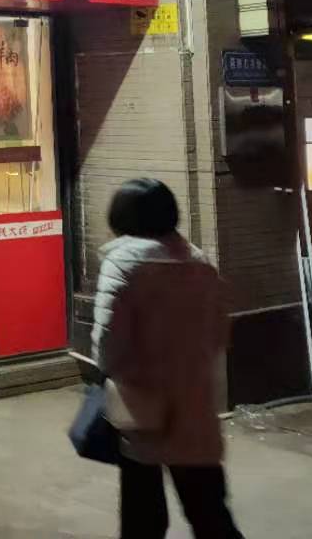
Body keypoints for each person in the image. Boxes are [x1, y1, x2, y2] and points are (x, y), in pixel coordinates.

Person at [92, 178, 244, 539]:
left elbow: (109, 346)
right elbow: (219, 334)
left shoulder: (122, 264)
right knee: (209, 512)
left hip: (141, 402)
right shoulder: (199, 263)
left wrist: (116, 373)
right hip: (194, 402)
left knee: (142, 515)